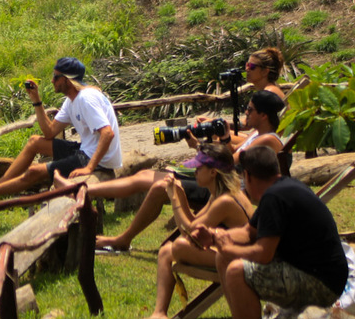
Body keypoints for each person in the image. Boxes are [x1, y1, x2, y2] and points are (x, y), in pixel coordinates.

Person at [77, 89, 286, 251]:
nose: (245, 114)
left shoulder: (268, 139)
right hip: (221, 181)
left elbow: (226, 162)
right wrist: (209, 138)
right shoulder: (256, 135)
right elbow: (226, 154)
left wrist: (207, 143)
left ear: (264, 115)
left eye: (250, 110)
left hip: (226, 186)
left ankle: (115, 231)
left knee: (157, 184)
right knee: (145, 176)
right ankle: (85, 189)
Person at [193, 146, 347, 319]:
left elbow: (263, 253)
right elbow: (249, 232)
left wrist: (228, 248)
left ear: (247, 176)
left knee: (236, 271)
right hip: (317, 274)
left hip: (321, 283)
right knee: (224, 258)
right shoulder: (282, 188)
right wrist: (214, 236)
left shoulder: (274, 197)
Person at [0, 57, 121, 203]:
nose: (52, 80)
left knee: (35, 172)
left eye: (55, 76)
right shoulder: (72, 99)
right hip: (87, 151)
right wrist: (36, 100)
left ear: (67, 80)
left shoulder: (86, 99)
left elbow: (107, 133)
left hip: (97, 160)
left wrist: (89, 168)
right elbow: (50, 132)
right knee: (34, 142)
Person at [137, 143, 253, 319]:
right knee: (166, 250)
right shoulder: (219, 194)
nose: (195, 172)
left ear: (213, 172)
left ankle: (160, 315)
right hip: (232, 253)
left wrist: (174, 198)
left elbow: (189, 233)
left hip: (240, 261)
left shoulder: (225, 201)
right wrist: (181, 196)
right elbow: (194, 223)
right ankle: (159, 314)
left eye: (199, 168)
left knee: (179, 245)